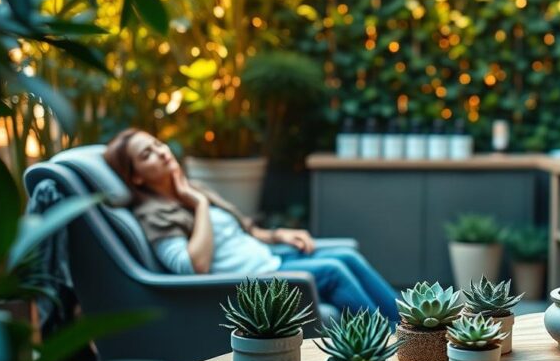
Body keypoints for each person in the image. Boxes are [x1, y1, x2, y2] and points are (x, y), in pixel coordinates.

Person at [103, 128, 398, 321]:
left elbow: (244, 230)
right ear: (137, 177)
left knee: (346, 256)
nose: (162, 151)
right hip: (249, 281)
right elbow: (194, 267)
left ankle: (413, 328)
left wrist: (279, 234)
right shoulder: (155, 214)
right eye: (147, 154)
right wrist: (199, 205)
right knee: (334, 271)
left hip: (269, 257)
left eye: (157, 144)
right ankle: (390, 344)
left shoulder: (193, 188)